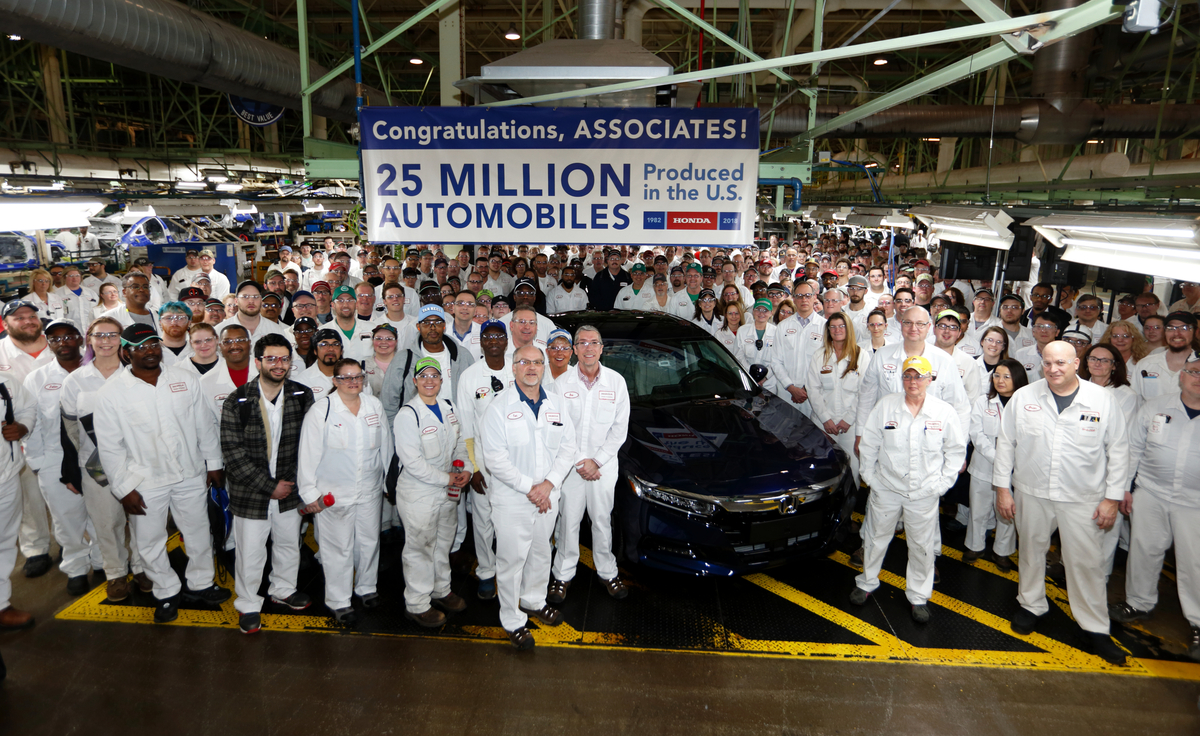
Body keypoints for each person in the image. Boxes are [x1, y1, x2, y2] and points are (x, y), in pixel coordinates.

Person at [992, 341, 1130, 664]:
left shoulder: (1101, 400)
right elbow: (1005, 443)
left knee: (1086, 563)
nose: (1054, 369)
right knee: (1030, 552)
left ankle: (1094, 627)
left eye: (1062, 363)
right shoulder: (1025, 397)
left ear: (1076, 362)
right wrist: (1002, 488)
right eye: (1048, 363)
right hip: (1032, 491)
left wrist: (1112, 498)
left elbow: (1120, 451)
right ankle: (1030, 605)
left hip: (1082, 497)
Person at [93, 324, 228, 623]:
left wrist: (214, 463)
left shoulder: (184, 379)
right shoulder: (110, 394)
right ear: (126, 353)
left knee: (197, 532)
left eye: (153, 344)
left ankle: (202, 582)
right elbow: (110, 447)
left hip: (190, 473)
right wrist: (123, 488)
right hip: (144, 481)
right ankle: (165, 591)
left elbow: (203, 424)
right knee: (150, 541)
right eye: (140, 347)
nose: (150, 351)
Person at [851, 356, 967, 623]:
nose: (912, 381)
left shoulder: (943, 412)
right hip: (887, 487)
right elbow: (868, 445)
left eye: (918, 376)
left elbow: (955, 451)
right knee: (875, 537)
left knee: (921, 545)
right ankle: (866, 583)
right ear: (901, 378)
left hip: (924, 492)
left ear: (930, 379)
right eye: (908, 376)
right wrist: (872, 480)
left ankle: (918, 597)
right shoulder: (886, 406)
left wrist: (941, 485)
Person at [479, 344, 578, 650]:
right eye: (525, 362)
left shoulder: (556, 404)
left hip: (547, 495)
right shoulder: (497, 408)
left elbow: (568, 448)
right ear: (514, 367)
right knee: (511, 560)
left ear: (543, 366)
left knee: (540, 552)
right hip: (513, 499)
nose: (532, 367)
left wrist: (548, 484)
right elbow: (495, 459)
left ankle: (533, 599)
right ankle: (512, 618)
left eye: (537, 362)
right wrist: (531, 488)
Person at [1108, 351, 1200, 661]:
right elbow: (1132, 447)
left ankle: (1198, 623)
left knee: (1194, 564)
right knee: (1144, 549)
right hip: (1151, 492)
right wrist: (1125, 488)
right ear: (1182, 376)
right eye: (1194, 372)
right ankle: (1138, 602)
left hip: (1195, 504)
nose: (1198, 378)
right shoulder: (1156, 407)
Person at [220, 334, 314, 634]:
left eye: (284, 358)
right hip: (252, 493)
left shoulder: (302, 395)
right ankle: (248, 604)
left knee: (289, 545)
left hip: (289, 490)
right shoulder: (238, 400)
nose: (279, 364)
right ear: (257, 361)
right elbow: (233, 454)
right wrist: (268, 486)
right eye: (271, 358)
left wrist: (296, 485)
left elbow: (311, 446)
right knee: (251, 551)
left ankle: (283, 589)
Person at [59, 317, 148, 602]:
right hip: (95, 465)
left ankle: (144, 567)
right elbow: (70, 429)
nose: (106, 341)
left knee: (142, 519)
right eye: (100, 335)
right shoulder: (75, 381)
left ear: (122, 340)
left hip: (137, 461)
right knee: (106, 522)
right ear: (90, 339)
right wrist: (75, 468)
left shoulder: (137, 373)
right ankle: (116, 573)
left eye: (113, 335)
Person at [297, 358, 391, 625]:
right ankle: (339, 600)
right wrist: (310, 493)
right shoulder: (322, 410)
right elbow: (308, 454)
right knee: (337, 548)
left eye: (357, 377)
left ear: (363, 378)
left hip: (369, 489)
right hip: (333, 495)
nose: (352, 382)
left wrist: (387, 483)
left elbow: (386, 445)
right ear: (334, 381)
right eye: (345, 378)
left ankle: (366, 587)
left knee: (369, 541)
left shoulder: (374, 406)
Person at [549, 325, 631, 603]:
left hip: (603, 467)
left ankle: (607, 572)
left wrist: (596, 461)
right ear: (574, 350)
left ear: (601, 348)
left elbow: (620, 430)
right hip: (570, 467)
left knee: (601, 520)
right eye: (581, 343)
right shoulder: (561, 385)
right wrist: (579, 461)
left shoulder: (617, 382)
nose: (588, 348)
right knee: (568, 521)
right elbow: (557, 428)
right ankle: (562, 575)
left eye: (593, 342)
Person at [23, 321, 100, 596]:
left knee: (101, 514)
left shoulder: (96, 371)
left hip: (97, 456)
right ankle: (77, 567)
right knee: (66, 519)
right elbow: (30, 422)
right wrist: (38, 463)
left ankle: (102, 562)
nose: (63, 342)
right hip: (54, 459)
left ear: (80, 339)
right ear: (48, 342)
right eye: (55, 338)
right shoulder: (38, 378)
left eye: (68, 336)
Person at [392, 356, 471, 627]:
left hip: (447, 490)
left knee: (443, 542)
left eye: (434, 376)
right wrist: (447, 477)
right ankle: (416, 603)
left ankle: (440, 590)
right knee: (420, 547)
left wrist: (466, 469)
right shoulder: (408, 414)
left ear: (441, 380)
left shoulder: (449, 407)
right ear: (415, 381)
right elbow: (413, 463)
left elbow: (460, 442)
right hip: (419, 493)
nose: (429, 381)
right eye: (423, 376)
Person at [455, 320, 511, 601]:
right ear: (481, 342)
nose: (493, 341)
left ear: (506, 339)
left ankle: (512, 571)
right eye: (488, 336)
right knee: (484, 521)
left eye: (499, 336)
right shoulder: (470, 376)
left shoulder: (519, 367)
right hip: (484, 465)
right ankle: (487, 573)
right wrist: (473, 468)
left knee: (512, 521)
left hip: (516, 464)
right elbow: (466, 427)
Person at [964, 358, 1026, 570]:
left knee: (1007, 513)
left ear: (1017, 379)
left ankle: (1002, 551)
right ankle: (975, 546)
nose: (1000, 380)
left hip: (1014, 470)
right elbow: (976, 434)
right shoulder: (983, 402)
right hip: (983, 466)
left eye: (1007, 376)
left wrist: (1009, 461)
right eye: (997, 375)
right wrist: (998, 457)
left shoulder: (1026, 405)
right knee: (978, 510)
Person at [806, 313, 864, 484]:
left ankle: (851, 502)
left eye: (841, 326)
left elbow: (864, 392)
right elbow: (813, 389)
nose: (837, 330)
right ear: (828, 330)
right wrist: (825, 419)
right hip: (822, 423)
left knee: (853, 467)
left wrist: (848, 419)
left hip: (850, 425)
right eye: (833, 326)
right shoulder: (820, 355)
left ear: (849, 329)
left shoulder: (861, 355)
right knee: (823, 467)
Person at [0, 365, 37, 628]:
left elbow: (27, 407)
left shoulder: (5, 381)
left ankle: (1, 606)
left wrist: (22, 427)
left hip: (6, 475)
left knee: (4, 542)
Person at [1133, 312, 1198, 401]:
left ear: (1195, 332)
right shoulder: (1145, 364)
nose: (1176, 333)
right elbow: (1134, 400)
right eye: (1171, 328)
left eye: (1184, 328)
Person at [933, 310, 984, 406]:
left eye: (953, 327)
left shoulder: (969, 363)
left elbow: (972, 399)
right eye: (942, 326)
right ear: (934, 329)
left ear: (959, 332)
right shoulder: (922, 357)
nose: (947, 331)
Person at [737, 299, 777, 388]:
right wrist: (751, 374)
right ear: (753, 311)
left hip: (769, 383)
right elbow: (738, 356)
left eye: (765, 310)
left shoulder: (776, 332)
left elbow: (777, 360)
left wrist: (765, 378)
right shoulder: (742, 331)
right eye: (758, 309)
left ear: (771, 313)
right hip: (747, 380)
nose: (761, 313)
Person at [1015, 312, 1062, 380]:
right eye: (1039, 326)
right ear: (1033, 331)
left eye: (1049, 327)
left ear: (1057, 332)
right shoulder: (1021, 354)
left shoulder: (1064, 354)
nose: (1044, 331)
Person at [57, 267, 100, 332]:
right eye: (71, 276)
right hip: (69, 332)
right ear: (64, 278)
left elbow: (99, 311)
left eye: (77, 275)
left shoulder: (91, 293)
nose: (74, 278)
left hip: (91, 331)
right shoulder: (57, 294)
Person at [364, 323, 397, 397]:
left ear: (396, 342)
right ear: (372, 341)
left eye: (389, 339)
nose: (384, 342)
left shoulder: (405, 365)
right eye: (379, 338)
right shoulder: (362, 366)